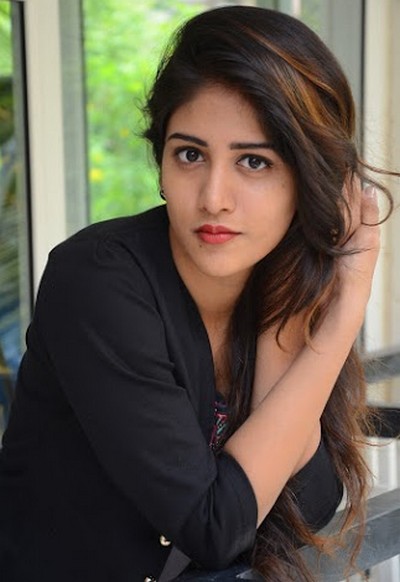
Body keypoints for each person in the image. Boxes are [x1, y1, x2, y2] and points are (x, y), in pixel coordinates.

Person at [0, 5, 395, 582]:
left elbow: (300, 505)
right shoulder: (97, 282)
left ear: (309, 178)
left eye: (253, 162)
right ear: (161, 162)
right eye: (190, 154)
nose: (213, 197)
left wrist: (281, 336)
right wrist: (346, 310)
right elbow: (215, 528)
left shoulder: (281, 283)